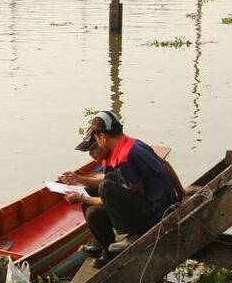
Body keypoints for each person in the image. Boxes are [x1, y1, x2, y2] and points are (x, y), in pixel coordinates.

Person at [62, 111, 183, 268]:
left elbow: (124, 196)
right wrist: (181, 193)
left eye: (96, 142)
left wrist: (82, 199)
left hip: (157, 215)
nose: (94, 150)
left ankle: (131, 235)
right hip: (155, 206)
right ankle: (109, 254)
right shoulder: (131, 144)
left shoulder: (125, 157)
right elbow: (164, 165)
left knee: (104, 188)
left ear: (103, 137)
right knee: (93, 210)